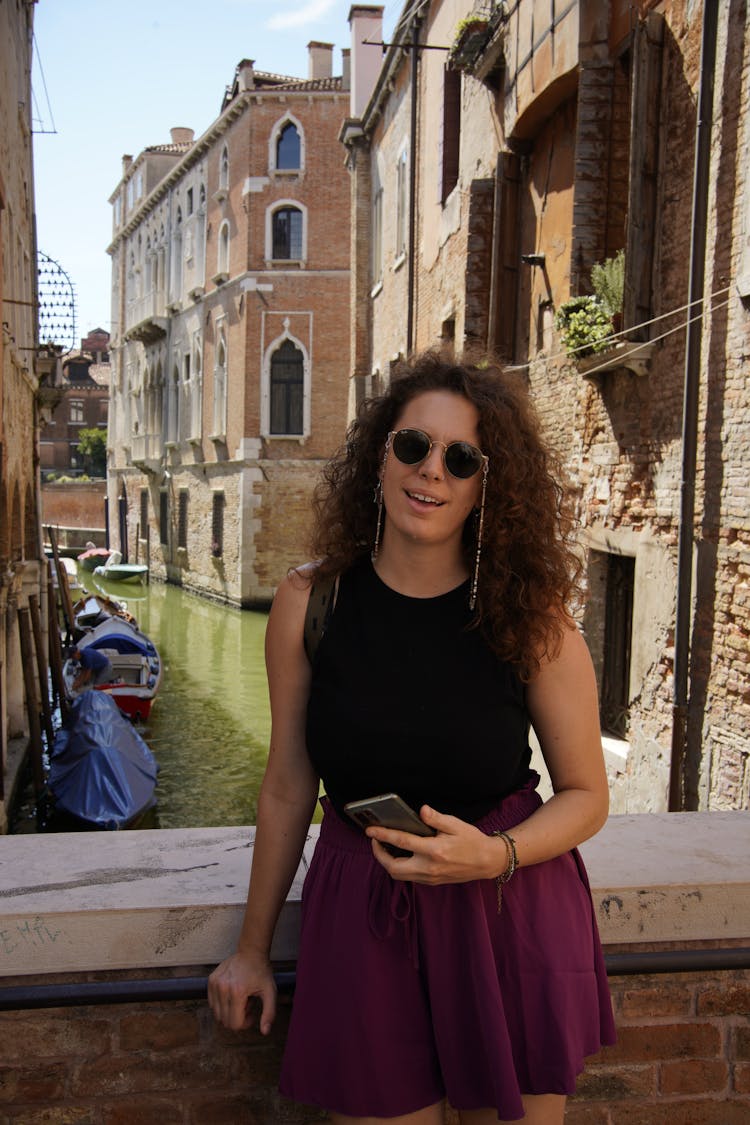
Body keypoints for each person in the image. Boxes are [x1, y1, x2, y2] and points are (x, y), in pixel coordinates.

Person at [208, 353, 616, 1124]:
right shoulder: (309, 603)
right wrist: (252, 947)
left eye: (461, 459)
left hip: (506, 903)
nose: (432, 471)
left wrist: (493, 855)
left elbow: (588, 795)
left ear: (485, 484)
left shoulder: (533, 618)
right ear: (380, 453)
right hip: (362, 909)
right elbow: (290, 785)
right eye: (413, 446)